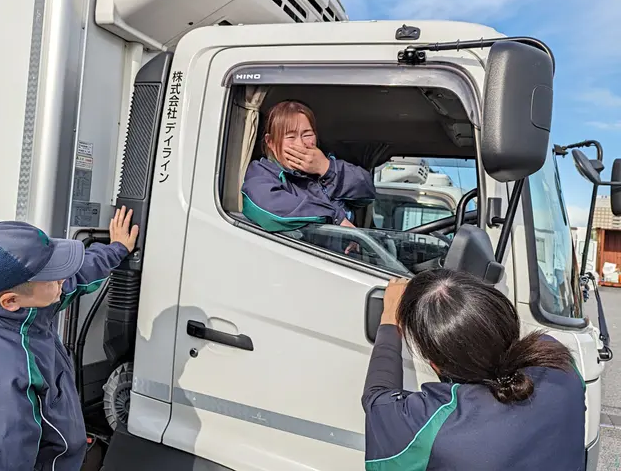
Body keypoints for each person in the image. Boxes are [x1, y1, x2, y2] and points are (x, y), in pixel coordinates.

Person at [0, 207, 139, 471]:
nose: (62, 279)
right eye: (53, 277)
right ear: (10, 301)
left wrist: (116, 249)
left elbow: (78, 276)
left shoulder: (25, 310)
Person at [363, 269, 586, 471]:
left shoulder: (435, 427)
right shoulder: (557, 360)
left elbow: (377, 399)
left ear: (435, 364)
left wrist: (389, 320)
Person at [241, 100, 375, 237]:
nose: (301, 144)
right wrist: (335, 217)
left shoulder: (326, 165)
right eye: (290, 137)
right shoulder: (261, 173)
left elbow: (366, 192)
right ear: (270, 142)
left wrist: (326, 168)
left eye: (307, 135)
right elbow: (270, 207)